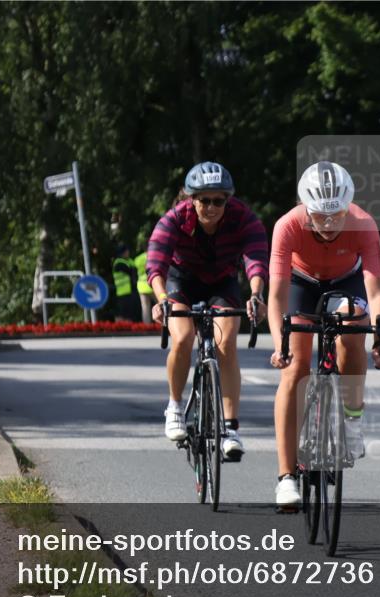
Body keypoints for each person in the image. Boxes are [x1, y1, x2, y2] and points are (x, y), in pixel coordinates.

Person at [268, 161, 380, 507]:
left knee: (354, 326)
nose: (327, 223)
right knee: (295, 370)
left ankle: (352, 419)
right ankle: (286, 476)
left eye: (335, 215)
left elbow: (377, 291)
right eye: (319, 215)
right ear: (304, 207)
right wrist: (279, 343)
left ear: (348, 207)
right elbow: (277, 296)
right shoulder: (287, 226)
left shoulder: (364, 224)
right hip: (301, 282)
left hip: (345, 280)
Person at [146, 161, 268, 461]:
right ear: (191, 199)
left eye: (219, 201)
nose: (211, 207)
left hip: (221, 282)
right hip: (180, 281)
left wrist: (256, 295)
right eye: (204, 200)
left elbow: (256, 260)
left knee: (226, 342)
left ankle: (229, 428)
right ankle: (174, 407)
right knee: (184, 337)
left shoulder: (243, 218)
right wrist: (161, 299)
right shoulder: (173, 219)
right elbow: (156, 264)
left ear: (228, 200)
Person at [112, 244, 140, 322]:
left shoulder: (129, 261)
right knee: (123, 313)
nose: (128, 252)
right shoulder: (119, 262)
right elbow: (131, 271)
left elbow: (134, 271)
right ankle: (121, 328)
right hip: (122, 292)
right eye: (126, 251)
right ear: (123, 252)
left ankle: (129, 327)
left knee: (130, 313)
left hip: (131, 291)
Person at [135, 249, 155, 324]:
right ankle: (163, 324)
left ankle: (146, 325)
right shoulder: (152, 256)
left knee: (145, 307)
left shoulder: (137, 259)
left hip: (141, 286)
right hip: (151, 284)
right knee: (160, 304)